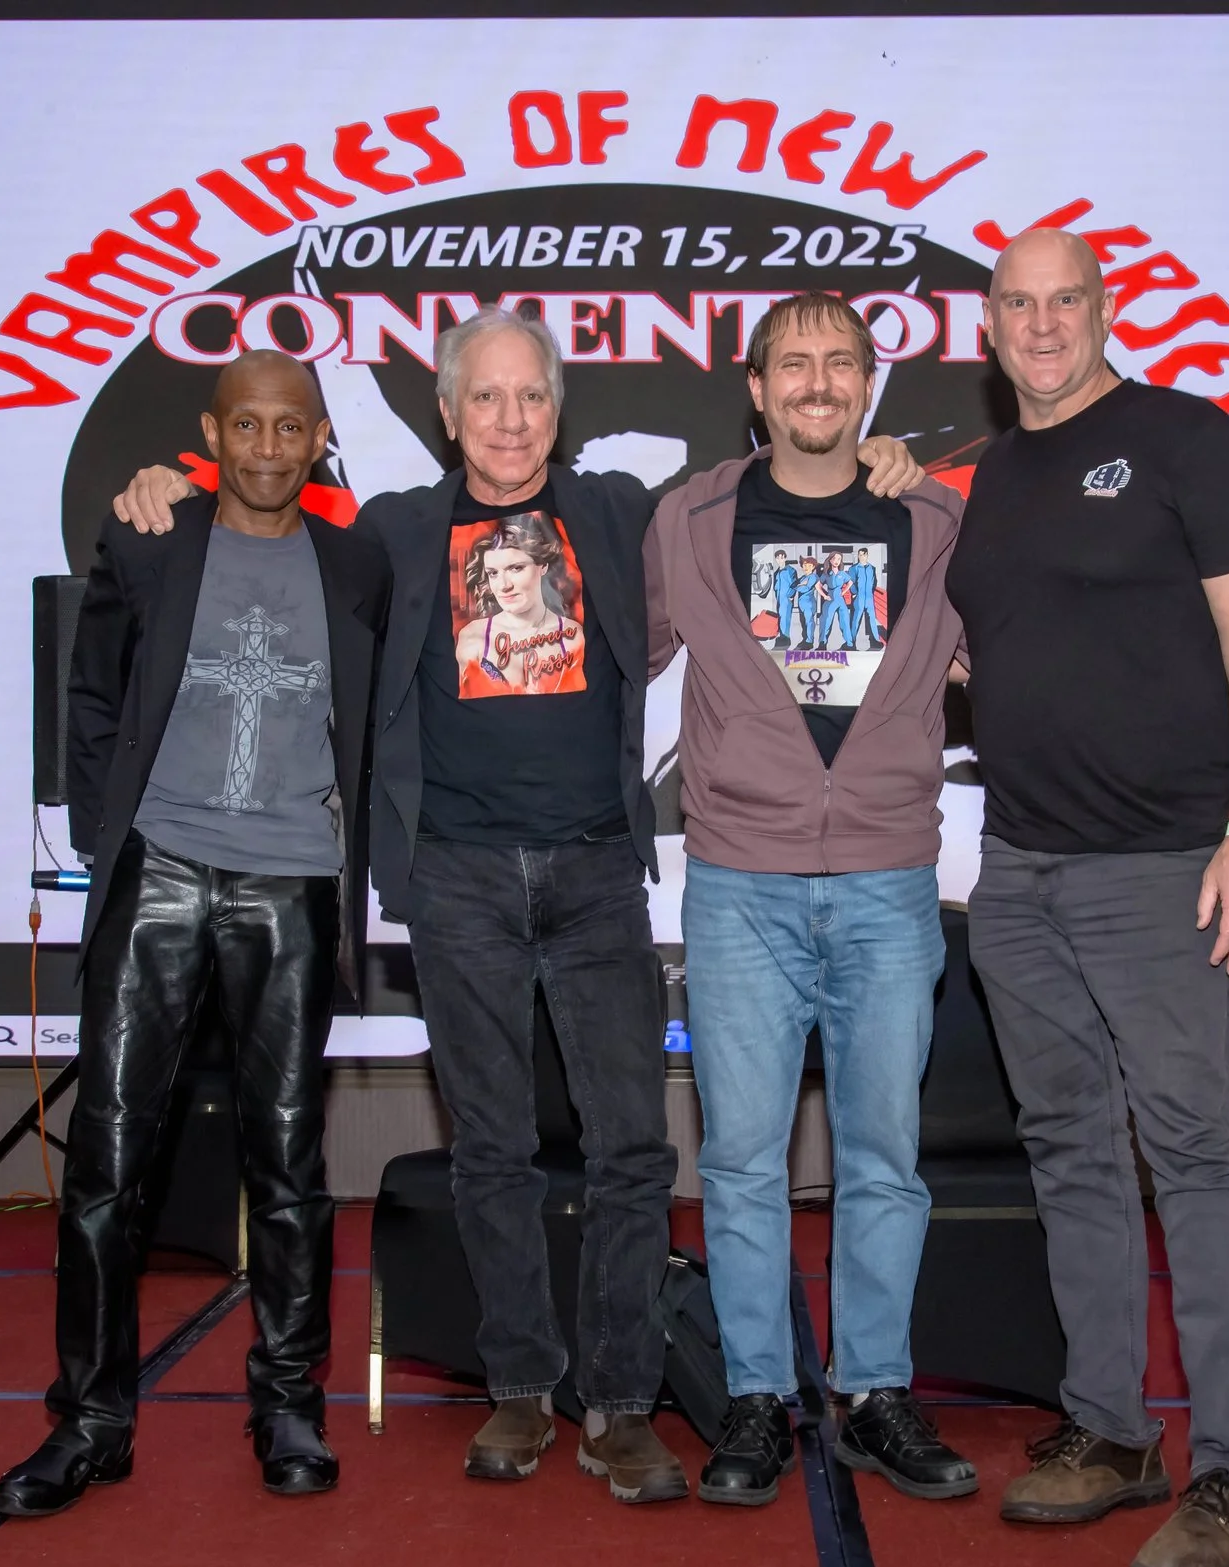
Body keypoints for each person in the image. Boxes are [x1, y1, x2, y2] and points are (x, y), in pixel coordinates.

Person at [109, 311, 926, 1504]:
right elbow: (260, 513)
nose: (506, 421)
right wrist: (162, 487)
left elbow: (774, 485)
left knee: (632, 1150)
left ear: (558, 410)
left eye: (528, 398)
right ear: (446, 415)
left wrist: (888, 455)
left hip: (597, 872)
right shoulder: (390, 533)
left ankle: (619, 1400)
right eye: (482, 400)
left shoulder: (618, 514)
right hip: (456, 879)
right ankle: (518, 1390)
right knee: (489, 1149)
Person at [948, 229, 1229, 1567]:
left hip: (1163, 864)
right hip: (1022, 867)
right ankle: (1109, 1430)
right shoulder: (988, 481)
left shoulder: (1184, 438)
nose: (1042, 325)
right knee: (1070, 1154)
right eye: (1018, 305)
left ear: (1106, 309)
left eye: (1065, 301)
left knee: (1196, 1158)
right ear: (989, 328)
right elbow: (1000, 654)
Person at [0, 349, 390, 1517]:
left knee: (286, 1162)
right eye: (248, 426)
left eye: (291, 429)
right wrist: (99, 827)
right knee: (108, 1161)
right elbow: (96, 687)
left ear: (320, 440)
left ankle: (287, 1401)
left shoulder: (359, 563)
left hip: (292, 883)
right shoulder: (151, 540)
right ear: (211, 435)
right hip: (157, 869)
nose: (268, 449)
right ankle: (93, 1421)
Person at [646, 293, 976, 1508]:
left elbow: (1013, 656)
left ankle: (874, 1389)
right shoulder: (687, 518)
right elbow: (593, 650)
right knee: (738, 1161)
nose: (818, 382)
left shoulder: (935, 516)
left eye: (841, 361)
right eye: (795, 362)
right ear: (756, 384)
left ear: (870, 383)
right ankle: (753, 1396)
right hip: (739, 882)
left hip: (891, 882)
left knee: (884, 1158)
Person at [455, 515, 588, 696]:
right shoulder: (472, 638)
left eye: (516, 568)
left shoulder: (572, 637)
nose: (504, 585)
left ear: (542, 566)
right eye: (493, 573)